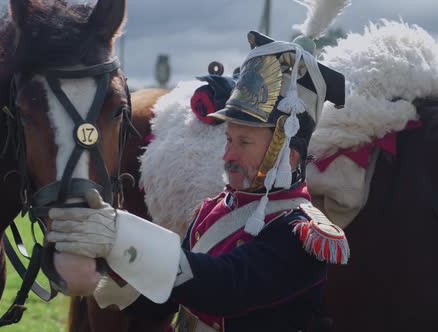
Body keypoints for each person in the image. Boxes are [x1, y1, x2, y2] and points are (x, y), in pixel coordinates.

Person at [47, 31, 350, 332]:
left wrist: (120, 233)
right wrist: (103, 267)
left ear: (289, 156)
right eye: (228, 138)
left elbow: (223, 287)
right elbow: (165, 301)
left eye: (244, 142)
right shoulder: (214, 209)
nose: (227, 153)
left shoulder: (302, 234)